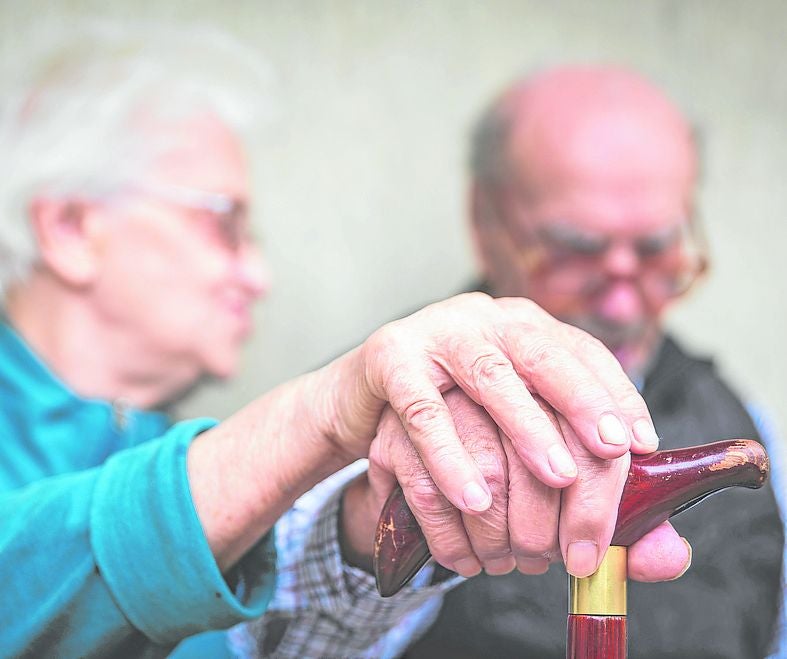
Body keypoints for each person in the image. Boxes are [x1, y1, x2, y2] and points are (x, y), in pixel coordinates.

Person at [0, 25, 691, 658]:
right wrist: (322, 410)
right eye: (225, 225)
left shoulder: (148, 444)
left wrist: (384, 515)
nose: (258, 277)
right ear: (67, 227)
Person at [394, 66, 784, 658]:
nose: (624, 303)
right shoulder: (392, 417)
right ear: (485, 220)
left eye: (656, 251)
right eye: (576, 251)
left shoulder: (748, 431)